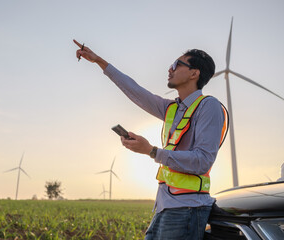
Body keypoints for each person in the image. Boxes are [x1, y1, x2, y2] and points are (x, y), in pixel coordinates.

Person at [73, 39, 228, 240]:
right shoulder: (172, 108)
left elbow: (203, 161)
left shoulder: (209, 106)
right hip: (165, 206)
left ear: (194, 73)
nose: (169, 69)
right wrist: (99, 61)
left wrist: (152, 151)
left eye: (176, 64)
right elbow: (135, 91)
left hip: (187, 208)